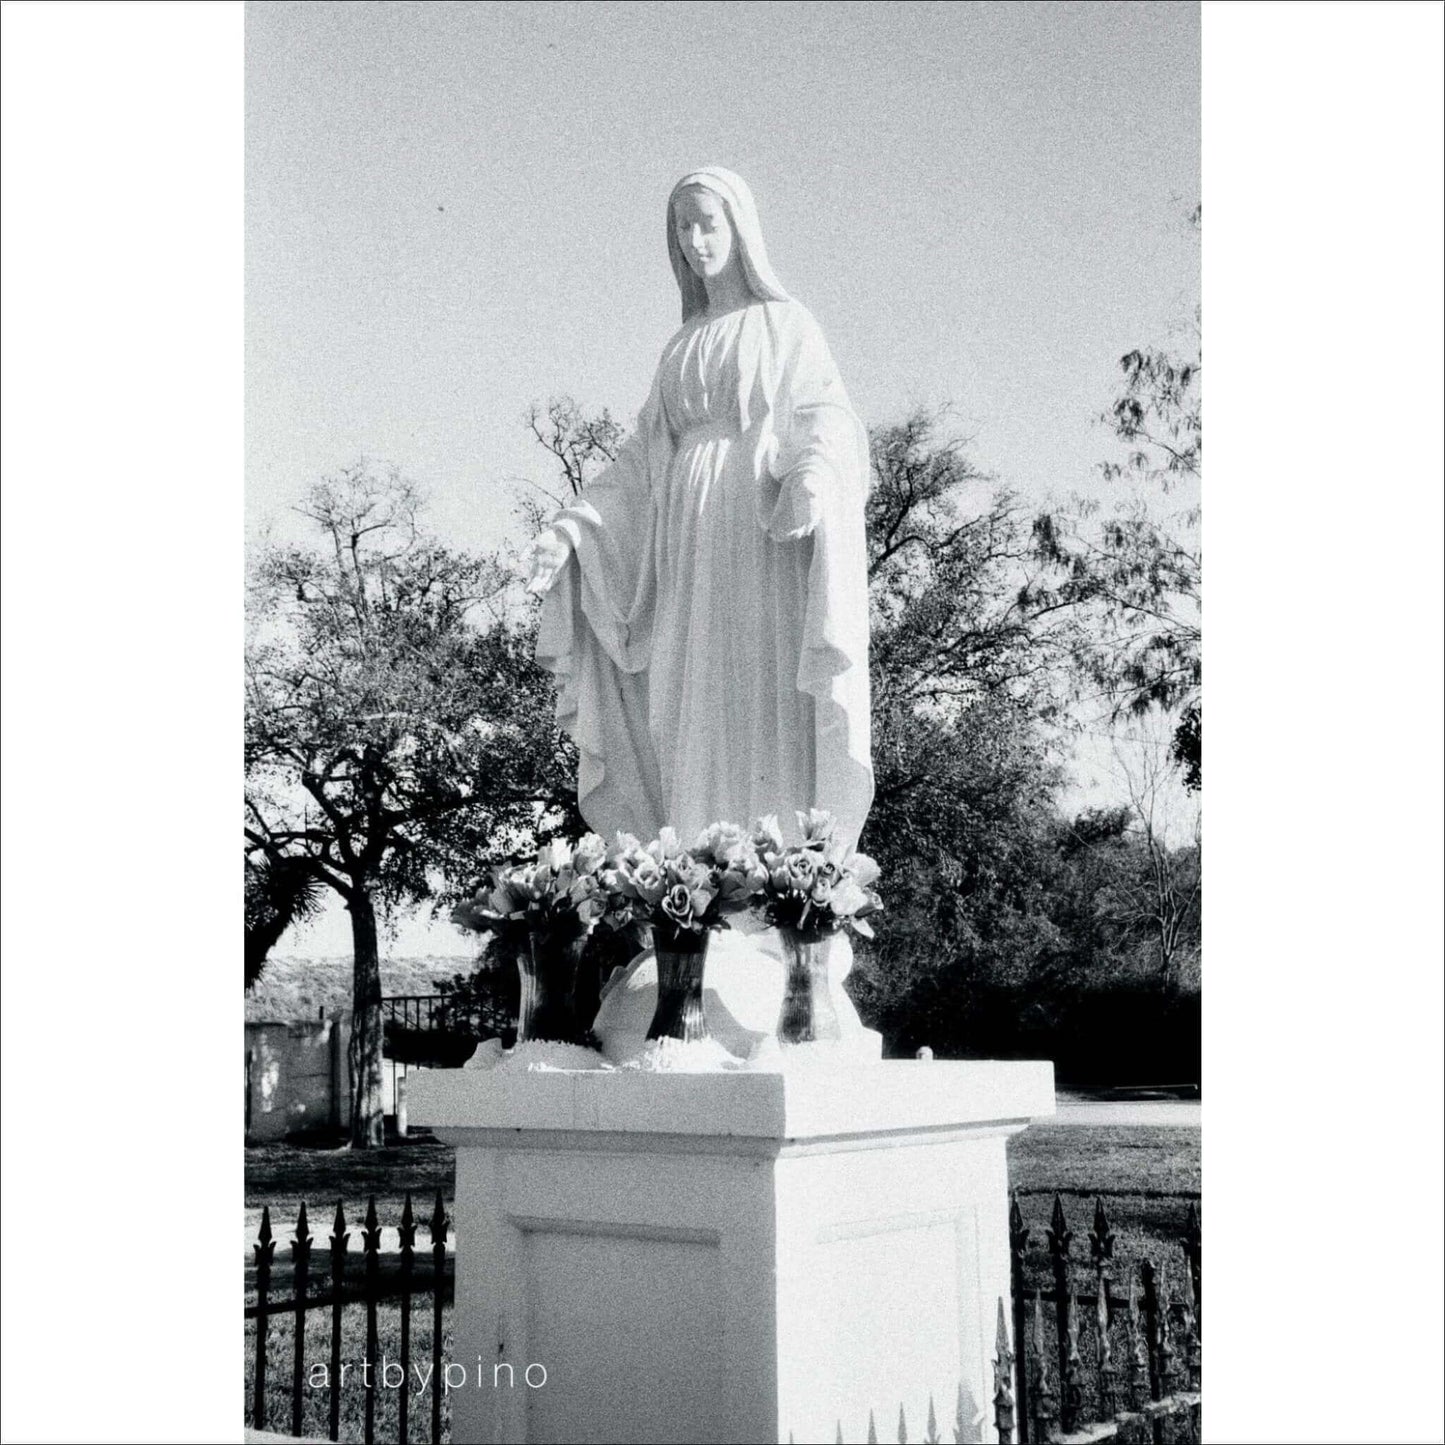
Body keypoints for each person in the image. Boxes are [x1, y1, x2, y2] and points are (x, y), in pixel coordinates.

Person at [527, 166, 873, 854]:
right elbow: (636, 465)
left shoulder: (784, 324)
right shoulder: (678, 349)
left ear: (739, 228)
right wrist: (573, 527)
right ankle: (692, 868)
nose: (694, 240)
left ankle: (769, 875)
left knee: (760, 688)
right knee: (687, 699)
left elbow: (826, 414)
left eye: (706, 222)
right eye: (682, 226)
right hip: (684, 538)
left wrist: (812, 470)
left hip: (757, 530)